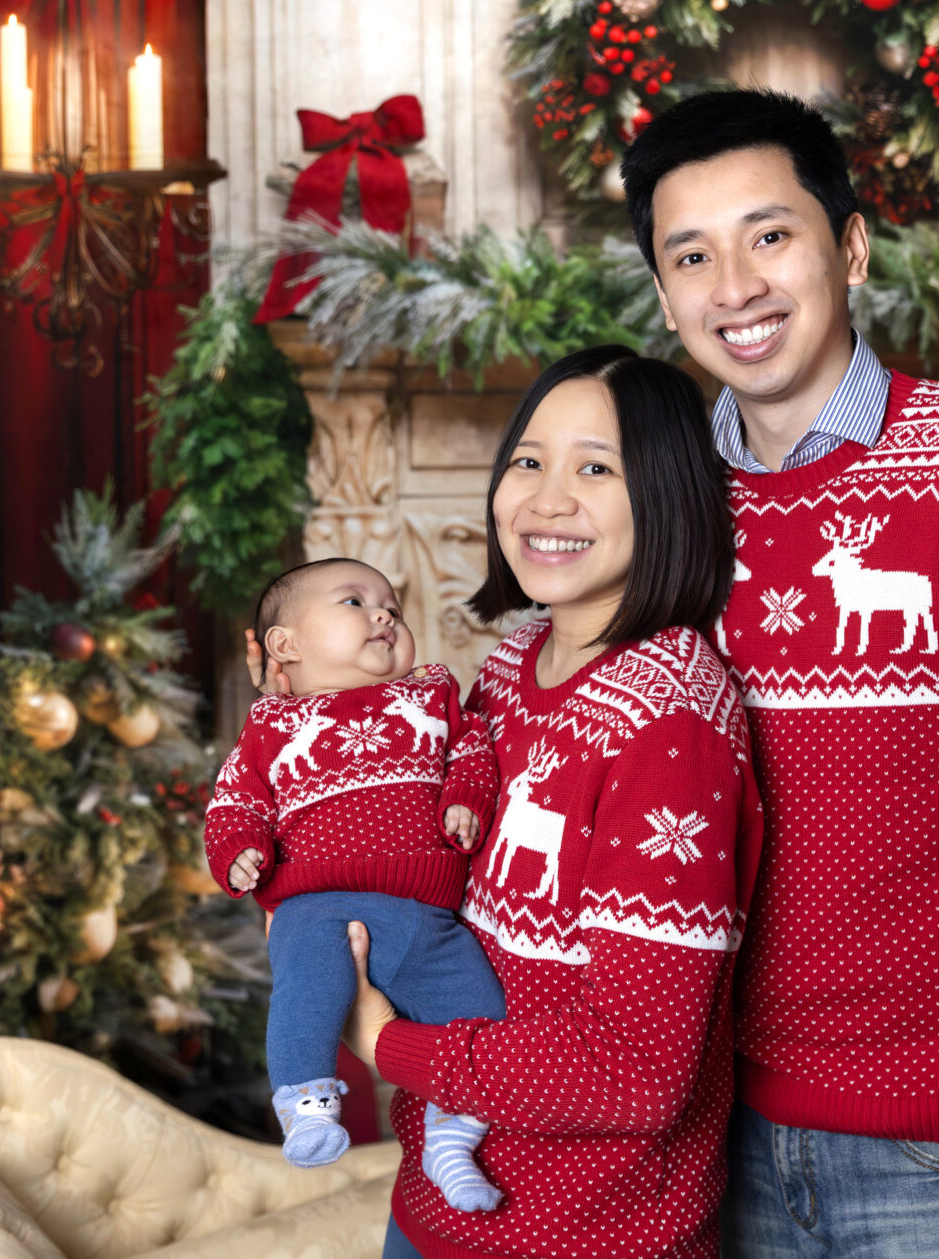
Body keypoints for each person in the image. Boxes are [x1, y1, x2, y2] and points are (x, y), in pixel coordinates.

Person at [617, 89, 939, 1259]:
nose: (735, 288)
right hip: (712, 1134)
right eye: (692, 255)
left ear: (849, 247)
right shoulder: (658, 510)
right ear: (664, 293)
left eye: (770, 236)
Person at [254, 345, 764, 1258]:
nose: (547, 499)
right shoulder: (508, 668)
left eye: (596, 468)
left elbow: (640, 1073)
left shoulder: (670, 725)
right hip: (433, 1205)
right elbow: (409, 851)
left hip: (584, 1234)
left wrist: (387, 1046)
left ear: (669, 495)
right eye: (527, 460)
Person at [204, 558, 507, 1210]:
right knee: (307, 990)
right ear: (287, 645)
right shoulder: (271, 726)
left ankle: (452, 1137)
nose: (384, 614)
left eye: (392, 606)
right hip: (317, 902)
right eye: (355, 601)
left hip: (429, 917)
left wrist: (466, 799)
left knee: (481, 1008)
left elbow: (474, 750)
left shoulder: (432, 692)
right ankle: (307, 1100)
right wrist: (238, 851)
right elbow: (235, 802)